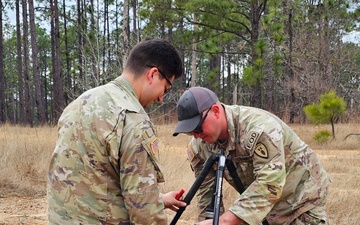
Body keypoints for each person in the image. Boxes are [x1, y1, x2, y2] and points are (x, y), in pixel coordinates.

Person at [47, 38, 187, 224]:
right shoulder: (133, 119)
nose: (162, 98)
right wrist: (152, 206)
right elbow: (145, 213)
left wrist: (159, 200)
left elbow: (94, 185)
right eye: (166, 88)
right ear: (153, 74)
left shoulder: (79, 103)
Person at [173, 87, 331, 225]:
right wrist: (212, 221)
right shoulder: (200, 146)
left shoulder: (259, 129)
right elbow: (206, 195)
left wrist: (225, 221)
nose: (196, 135)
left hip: (300, 202)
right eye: (189, 131)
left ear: (215, 111)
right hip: (261, 208)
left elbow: (270, 184)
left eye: (198, 127)